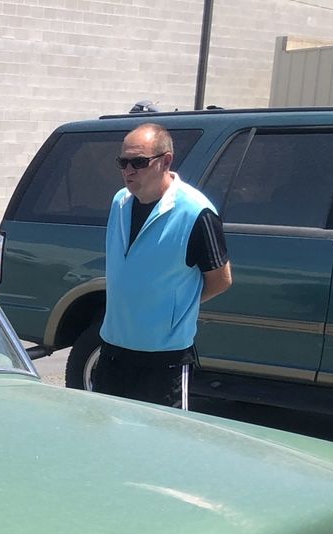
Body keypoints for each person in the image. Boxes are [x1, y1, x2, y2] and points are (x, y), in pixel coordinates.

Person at [95, 123, 231, 408]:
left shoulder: (196, 212)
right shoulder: (120, 202)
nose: (128, 171)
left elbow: (221, 279)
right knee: (107, 442)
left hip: (162, 362)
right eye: (123, 162)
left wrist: (171, 306)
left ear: (166, 160)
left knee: (160, 447)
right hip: (112, 351)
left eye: (139, 162)